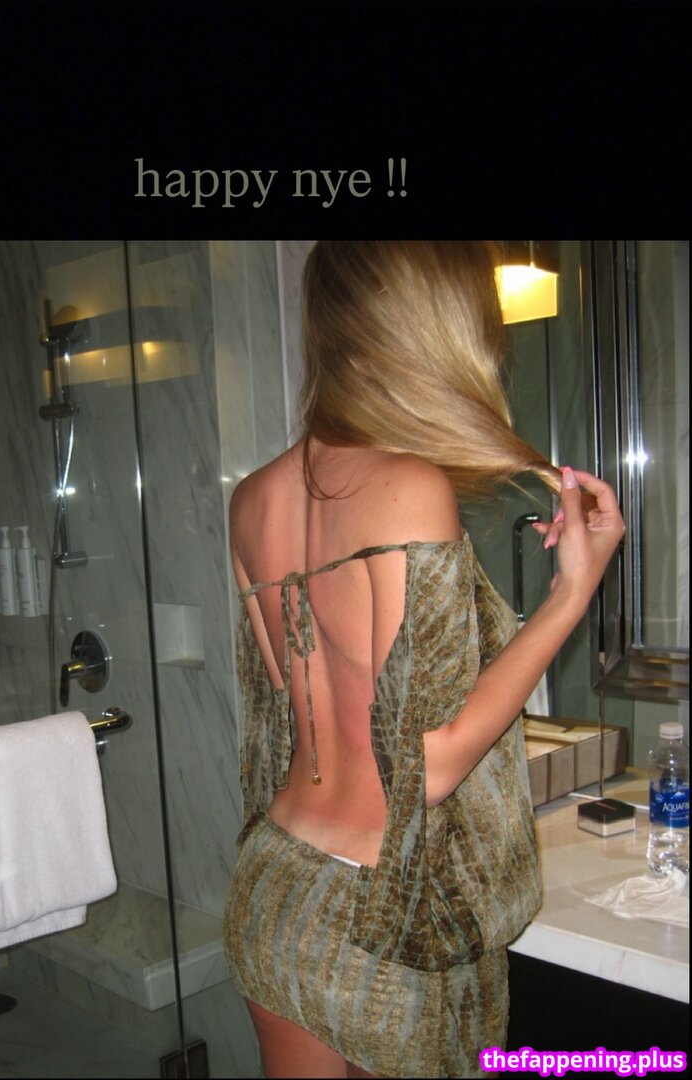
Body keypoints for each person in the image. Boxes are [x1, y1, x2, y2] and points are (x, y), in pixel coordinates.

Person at [223, 241, 625, 1079]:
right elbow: (427, 767)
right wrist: (569, 596)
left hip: (276, 880)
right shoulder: (409, 488)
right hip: (383, 911)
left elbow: (290, 701)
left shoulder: (253, 496)